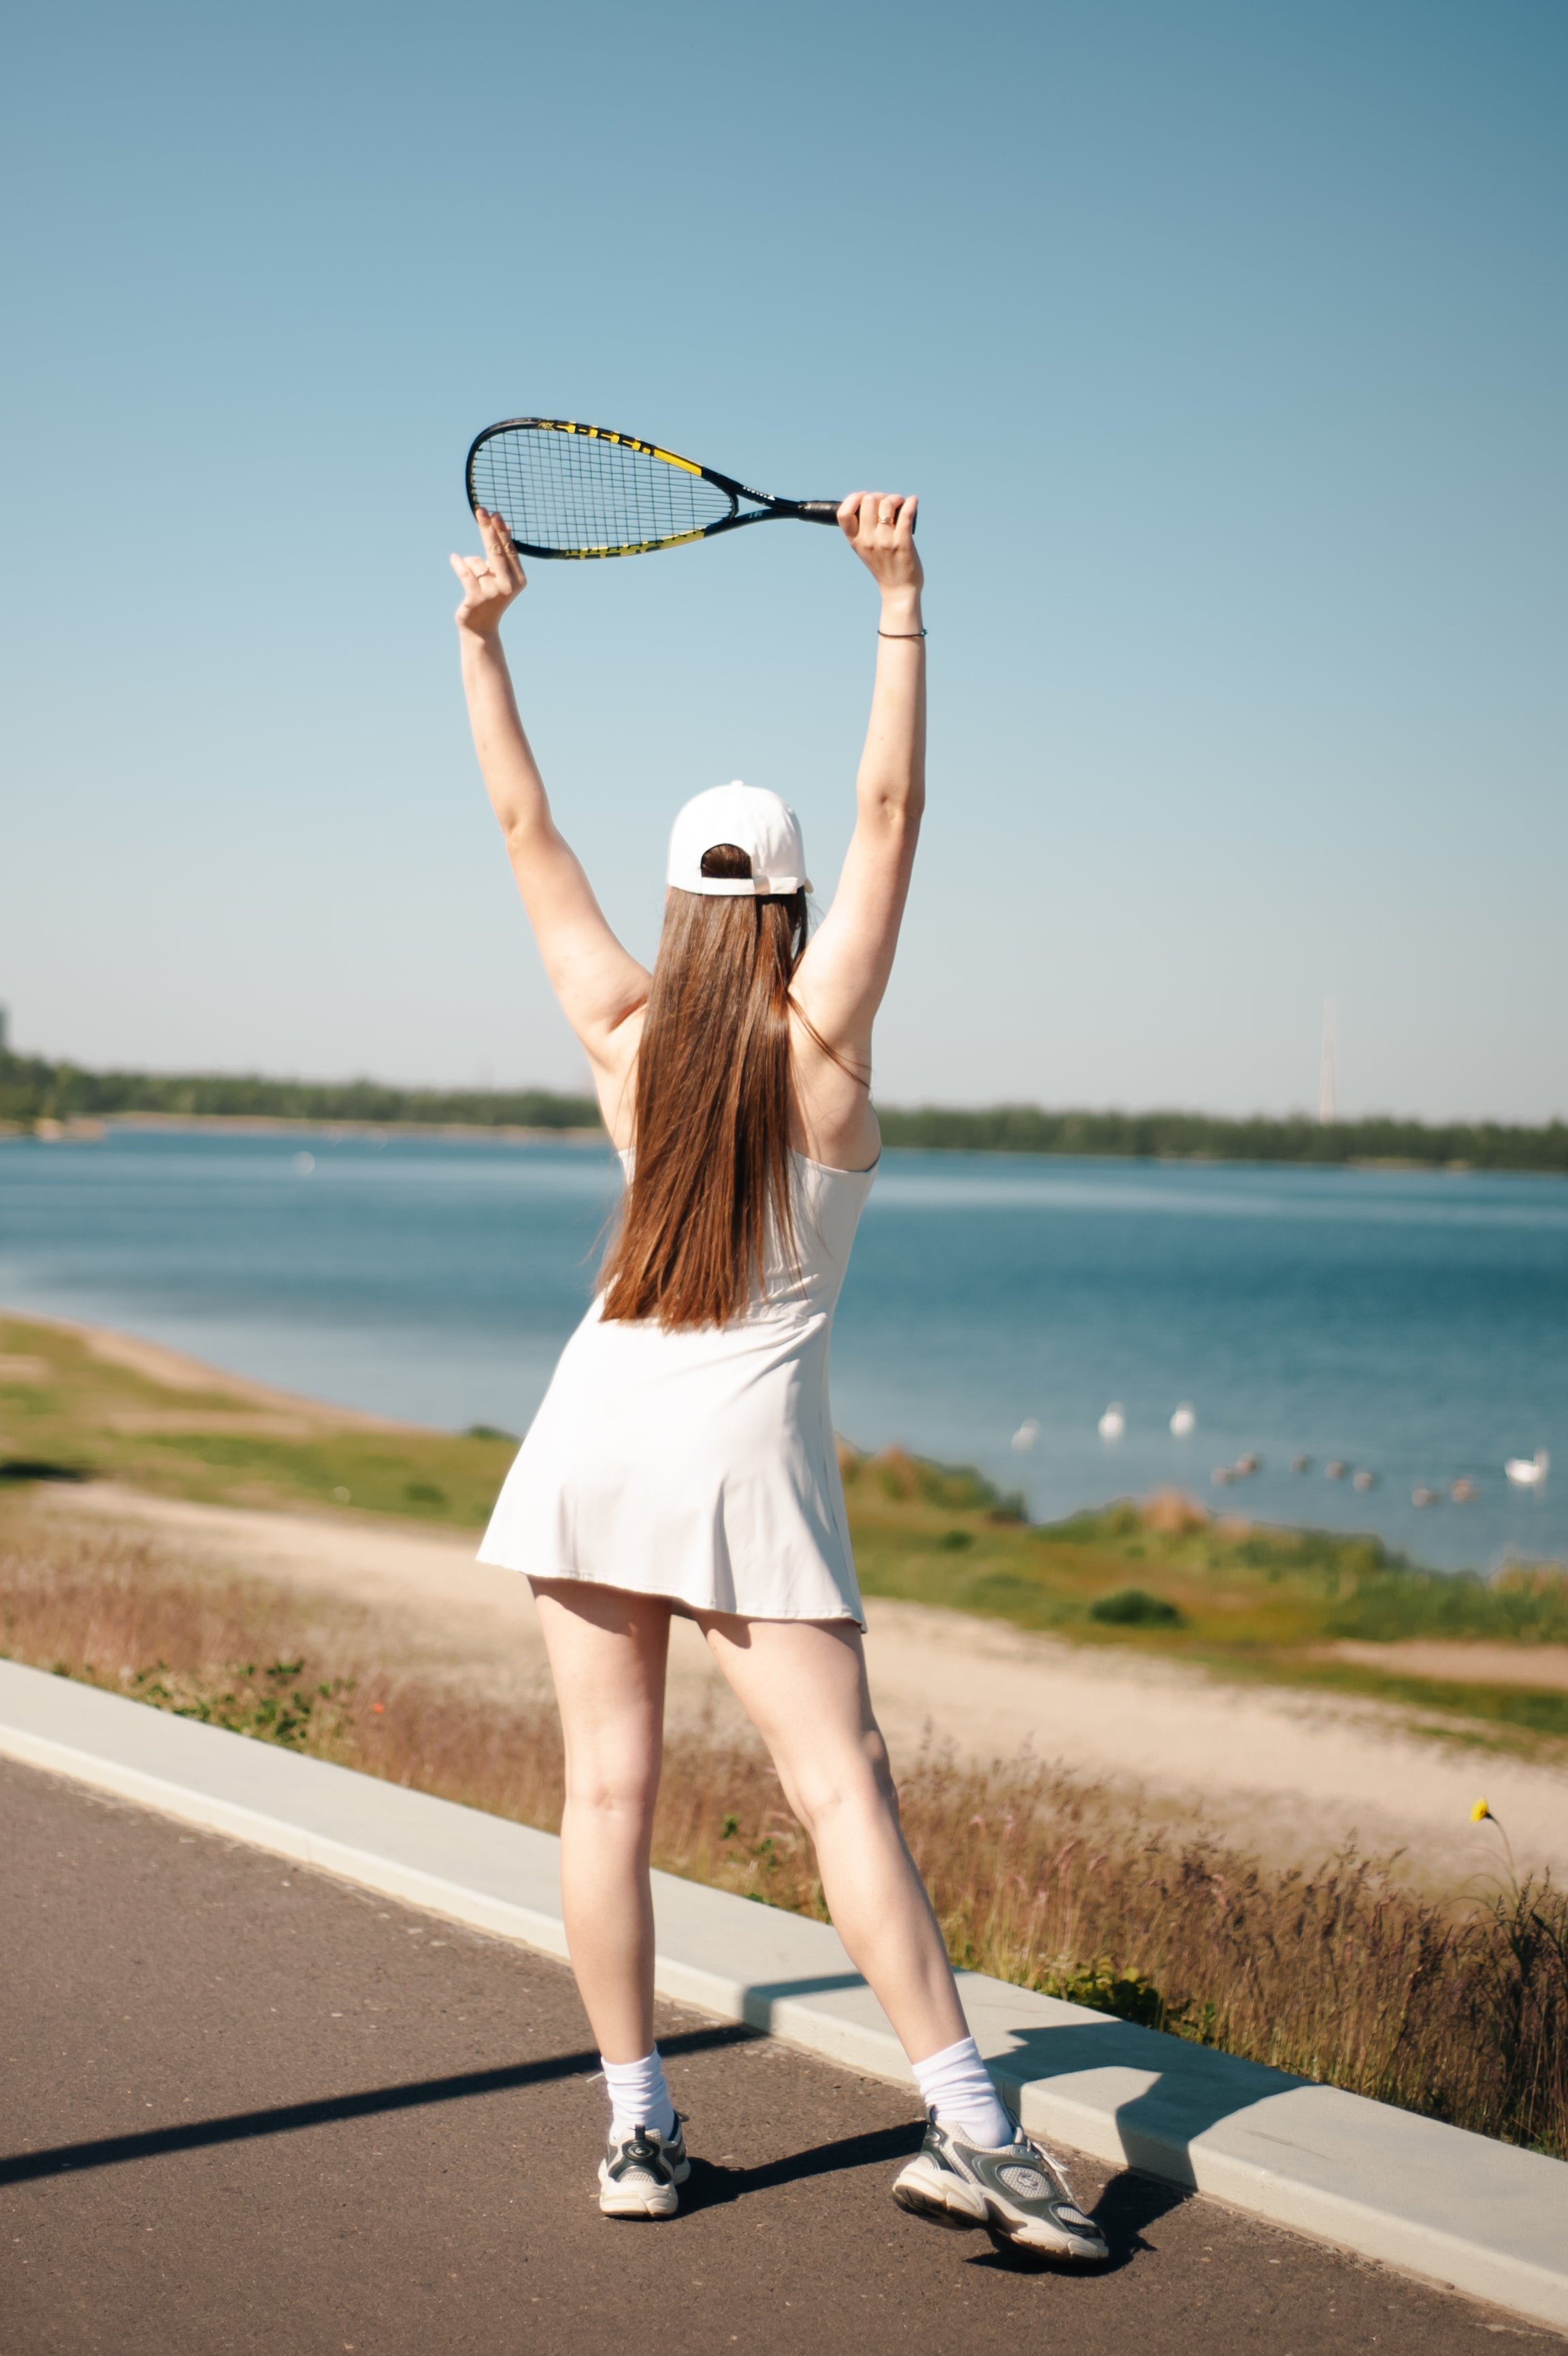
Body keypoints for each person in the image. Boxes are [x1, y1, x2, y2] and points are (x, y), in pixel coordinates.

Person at [449, 493, 1105, 2263]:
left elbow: (523, 826)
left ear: (676, 904)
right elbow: (894, 809)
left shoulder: (625, 1031)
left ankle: (639, 2130)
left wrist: (482, 640)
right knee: (840, 1791)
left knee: (605, 1797)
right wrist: (898, 604)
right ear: (797, 903)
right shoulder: (825, 1051)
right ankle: (976, 2127)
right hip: (737, 1463)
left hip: (594, 1437)